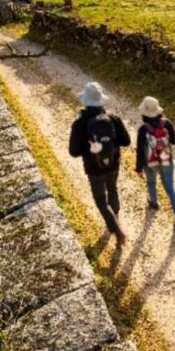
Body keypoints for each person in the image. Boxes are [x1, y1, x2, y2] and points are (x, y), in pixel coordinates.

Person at [69, 82, 131, 245]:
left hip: (93, 170)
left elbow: (73, 152)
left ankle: (117, 230)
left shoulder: (79, 124)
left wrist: (89, 147)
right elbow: (126, 141)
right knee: (112, 189)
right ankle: (115, 218)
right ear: (101, 101)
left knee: (101, 201)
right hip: (113, 165)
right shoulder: (113, 119)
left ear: (86, 101)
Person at [135, 96, 175, 231]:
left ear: (144, 113)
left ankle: (153, 203)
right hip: (166, 159)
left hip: (150, 162)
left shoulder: (143, 129)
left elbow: (139, 150)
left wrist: (138, 168)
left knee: (151, 182)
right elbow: (174, 141)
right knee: (170, 190)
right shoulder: (166, 123)